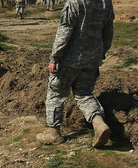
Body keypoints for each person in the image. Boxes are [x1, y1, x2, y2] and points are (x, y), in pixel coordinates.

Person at [36, 0, 114, 147]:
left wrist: (55, 57)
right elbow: (108, 31)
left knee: (56, 93)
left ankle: (54, 134)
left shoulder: (74, 2)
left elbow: (64, 32)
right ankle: (99, 124)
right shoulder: (105, 3)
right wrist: (102, 53)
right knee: (84, 94)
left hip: (70, 60)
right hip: (92, 59)